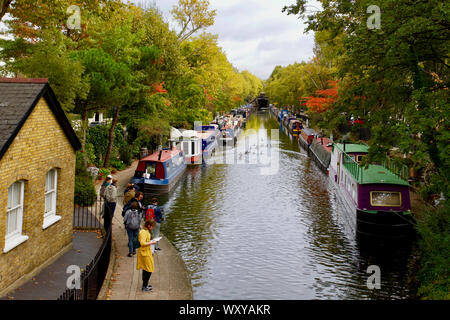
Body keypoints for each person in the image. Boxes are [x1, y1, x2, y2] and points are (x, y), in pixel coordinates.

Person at [137, 220, 158, 292]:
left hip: (147, 252)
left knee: (146, 269)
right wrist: (152, 242)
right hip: (144, 253)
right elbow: (142, 243)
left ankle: (145, 285)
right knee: (149, 269)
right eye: (152, 226)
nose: (153, 228)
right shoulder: (143, 232)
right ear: (149, 225)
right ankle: (144, 286)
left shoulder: (145, 231)